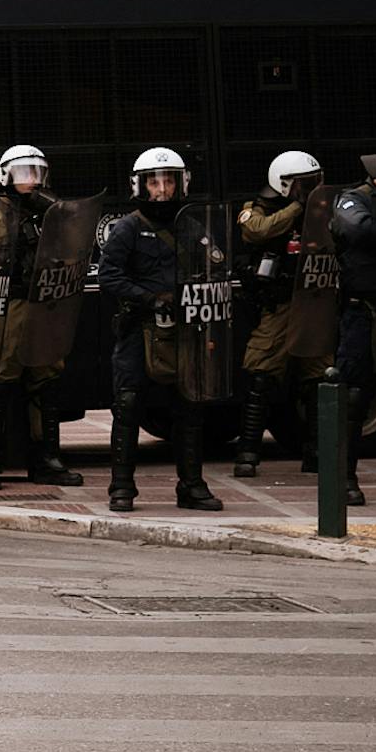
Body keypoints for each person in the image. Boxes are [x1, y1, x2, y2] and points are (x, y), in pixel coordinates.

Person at [96, 146, 224, 515]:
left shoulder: (191, 224)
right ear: (141, 186)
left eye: (169, 180)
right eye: (155, 181)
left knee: (189, 406)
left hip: (184, 330)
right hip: (139, 329)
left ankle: (192, 486)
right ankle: (121, 487)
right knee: (129, 405)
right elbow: (109, 276)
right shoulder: (128, 227)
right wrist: (149, 299)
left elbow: (212, 266)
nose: (162, 189)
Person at [0, 144, 80, 490]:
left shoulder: (53, 212)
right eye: (23, 174)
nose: (31, 181)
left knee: (46, 378)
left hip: (44, 302)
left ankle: (47, 457)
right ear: (6, 176)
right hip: (9, 304)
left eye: (36, 174)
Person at [232, 151, 324, 479]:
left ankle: (316, 453)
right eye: (303, 185)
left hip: (313, 303)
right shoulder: (260, 209)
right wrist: (298, 207)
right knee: (261, 372)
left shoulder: (322, 210)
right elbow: (256, 231)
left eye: (314, 184)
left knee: (317, 378)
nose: (310, 190)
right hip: (280, 305)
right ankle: (248, 452)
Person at [329, 152, 376, 507]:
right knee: (354, 396)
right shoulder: (353, 198)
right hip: (364, 311)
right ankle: (344, 477)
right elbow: (356, 228)